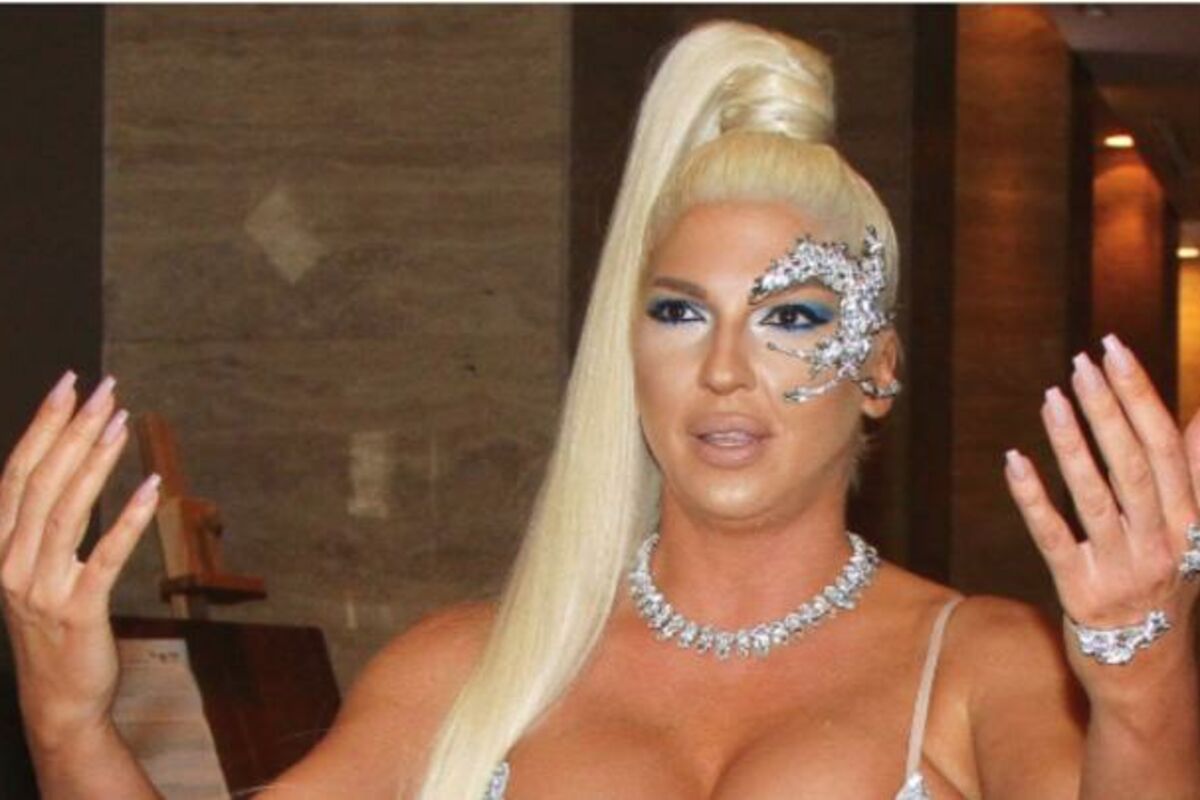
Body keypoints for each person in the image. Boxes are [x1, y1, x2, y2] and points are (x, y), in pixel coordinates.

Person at [3, 18, 1198, 800]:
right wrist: (68, 722)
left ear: (877, 366)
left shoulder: (981, 661)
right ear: (628, 354)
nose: (723, 366)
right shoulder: (470, 668)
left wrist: (1143, 675)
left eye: (790, 316)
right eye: (679, 312)